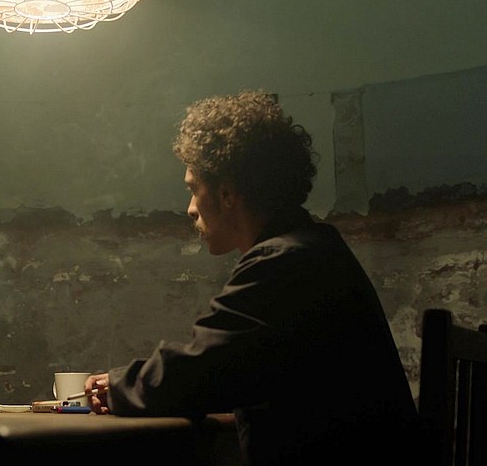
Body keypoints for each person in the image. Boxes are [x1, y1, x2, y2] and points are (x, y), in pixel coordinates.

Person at [82, 90, 419, 465]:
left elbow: (202, 369)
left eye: (193, 189)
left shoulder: (283, 261)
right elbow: (242, 371)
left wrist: (118, 384)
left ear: (227, 193)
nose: (190, 209)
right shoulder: (315, 247)